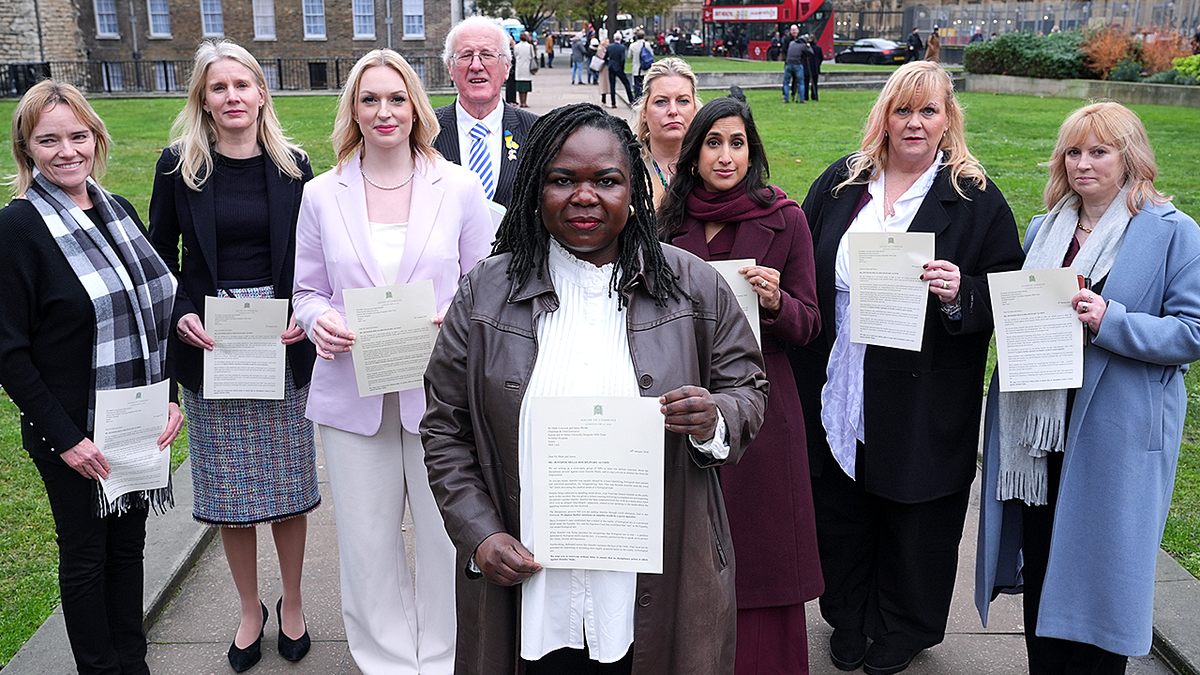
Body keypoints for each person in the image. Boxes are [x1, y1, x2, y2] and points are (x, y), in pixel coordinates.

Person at [421, 102, 768, 675]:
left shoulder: (693, 287)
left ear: (633, 190)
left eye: (607, 181)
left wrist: (715, 416)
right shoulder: (485, 291)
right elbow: (445, 427)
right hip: (531, 582)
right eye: (563, 180)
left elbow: (749, 389)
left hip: (649, 575)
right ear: (535, 188)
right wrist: (479, 534)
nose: (585, 197)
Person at [788, 61, 1024, 675]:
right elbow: (802, 259)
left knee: (914, 515)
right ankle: (847, 613)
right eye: (902, 110)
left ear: (949, 120)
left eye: (929, 111)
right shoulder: (842, 183)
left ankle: (905, 626)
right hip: (840, 373)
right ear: (884, 117)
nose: (914, 123)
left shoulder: (974, 198)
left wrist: (961, 291)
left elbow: (1010, 291)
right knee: (840, 502)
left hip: (924, 385)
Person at [976, 102, 1200, 675]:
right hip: (1039, 426)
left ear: (1130, 157)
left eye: (1099, 151)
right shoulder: (1044, 228)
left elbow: (1190, 333)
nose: (1082, 163)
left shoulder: (1173, 232)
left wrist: (1110, 320)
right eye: (1073, 151)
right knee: (1045, 560)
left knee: (1101, 572)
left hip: (1114, 432)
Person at [291, 49, 494, 675]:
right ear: (353, 108)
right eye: (370, 99)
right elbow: (306, 291)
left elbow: (485, 283)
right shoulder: (322, 194)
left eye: (397, 98)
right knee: (367, 544)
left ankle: (441, 659)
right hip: (353, 397)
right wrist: (317, 320)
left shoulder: (457, 185)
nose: (384, 111)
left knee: (443, 539)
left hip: (440, 397)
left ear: (416, 107)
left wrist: (451, 318)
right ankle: (385, 662)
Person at [147, 39, 319, 672]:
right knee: (228, 493)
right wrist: (182, 311)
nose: (232, 97)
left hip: (280, 342)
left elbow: (314, 256)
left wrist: (306, 308)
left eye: (241, 85)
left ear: (261, 91)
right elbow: (159, 256)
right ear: (203, 99)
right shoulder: (178, 168)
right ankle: (250, 609)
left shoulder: (295, 166)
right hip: (213, 345)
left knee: (288, 484)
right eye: (218, 88)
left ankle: (294, 602)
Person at [0, 80, 182, 675]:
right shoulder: (18, 229)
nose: (66, 151)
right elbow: (9, 351)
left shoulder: (120, 212)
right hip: (72, 434)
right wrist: (67, 439)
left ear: (96, 139)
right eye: (48, 140)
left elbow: (159, 316)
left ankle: (134, 664)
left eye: (78, 136)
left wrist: (171, 399)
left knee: (129, 551)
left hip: (136, 421)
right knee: (86, 559)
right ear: (27, 149)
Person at [659, 92, 823, 675]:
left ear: (752, 152)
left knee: (762, 560)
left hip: (761, 410)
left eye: (738, 143)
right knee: (688, 558)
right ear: (694, 152)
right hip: (680, 408)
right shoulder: (664, 224)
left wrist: (778, 302)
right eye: (713, 142)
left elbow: (810, 323)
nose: (725, 156)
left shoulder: (786, 218)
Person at [434, 17, 538, 209]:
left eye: (487, 55)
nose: (476, 66)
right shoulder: (425, 130)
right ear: (450, 68)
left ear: (506, 67)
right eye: (465, 56)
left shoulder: (536, 133)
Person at [633, 57, 701, 207]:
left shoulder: (709, 166)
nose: (673, 111)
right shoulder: (627, 167)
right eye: (661, 102)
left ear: (695, 110)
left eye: (683, 101)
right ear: (644, 111)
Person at [605, 33, 636, 109]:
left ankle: (613, 103)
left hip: (611, 66)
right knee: (626, 83)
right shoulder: (622, 47)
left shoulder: (609, 47)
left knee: (612, 85)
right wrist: (621, 67)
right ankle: (631, 100)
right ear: (621, 39)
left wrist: (608, 64)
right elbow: (623, 59)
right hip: (618, 67)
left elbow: (605, 57)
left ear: (613, 38)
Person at [783, 29, 809, 103]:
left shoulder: (791, 43)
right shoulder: (803, 46)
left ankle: (786, 99)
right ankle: (802, 99)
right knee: (801, 82)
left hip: (788, 64)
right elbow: (811, 52)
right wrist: (808, 46)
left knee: (786, 82)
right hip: (797, 64)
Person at [514, 31, 537, 109]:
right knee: (526, 87)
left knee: (520, 87)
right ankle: (525, 102)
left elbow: (515, 55)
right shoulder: (530, 46)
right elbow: (532, 56)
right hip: (527, 68)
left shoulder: (516, 46)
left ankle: (521, 102)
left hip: (519, 68)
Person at [629, 29, 651, 101]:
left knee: (637, 86)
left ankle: (637, 101)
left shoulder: (632, 45)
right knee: (645, 86)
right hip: (645, 68)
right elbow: (651, 54)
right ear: (644, 37)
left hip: (636, 69)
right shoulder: (647, 44)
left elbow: (629, 56)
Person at [806, 35, 824, 102]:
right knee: (814, 83)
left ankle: (806, 96)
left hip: (807, 68)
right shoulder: (818, 48)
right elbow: (821, 58)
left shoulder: (806, 48)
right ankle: (814, 95)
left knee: (806, 83)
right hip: (815, 67)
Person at [597, 38, 612, 105]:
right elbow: (603, 57)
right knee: (603, 83)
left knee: (606, 83)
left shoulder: (605, 49)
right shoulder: (600, 49)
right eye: (606, 42)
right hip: (603, 68)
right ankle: (603, 98)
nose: (608, 44)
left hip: (605, 68)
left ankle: (604, 98)